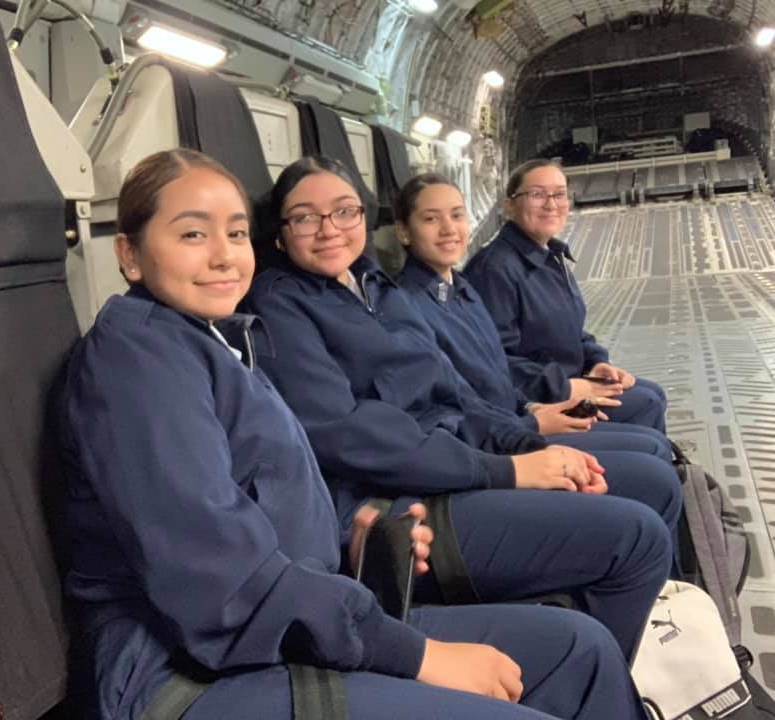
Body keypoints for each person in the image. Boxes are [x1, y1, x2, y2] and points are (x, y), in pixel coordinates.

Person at [58, 149, 650, 720]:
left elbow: (257, 491)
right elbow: (218, 581)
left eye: (235, 234)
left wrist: (348, 542)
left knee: (581, 652)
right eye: (192, 234)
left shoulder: (212, 340)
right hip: (187, 672)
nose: (222, 256)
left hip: (293, 614)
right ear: (130, 255)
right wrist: (413, 654)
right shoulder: (137, 360)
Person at [245, 155, 675, 661]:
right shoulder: (278, 306)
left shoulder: (374, 286)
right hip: (402, 503)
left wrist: (527, 442)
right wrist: (506, 469)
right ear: (279, 232)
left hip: (454, 461)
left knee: (651, 481)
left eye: (344, 211)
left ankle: (615, 639)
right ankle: (592, 667)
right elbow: (351, 434)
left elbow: (454, 389)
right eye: (305, 217)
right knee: (637, 538)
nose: (328, 229)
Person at [392, 172, 672, 461]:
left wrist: (588, 365)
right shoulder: (411, 307)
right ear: (403, 232)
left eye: (457, 215)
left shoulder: (461, 290)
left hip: (520, 415)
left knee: (652, 432)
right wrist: (545, 406)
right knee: (649, 443)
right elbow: (458, 402)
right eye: (431, 219)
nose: (449, 229)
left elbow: (499, 373)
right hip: (499, 441)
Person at [463, 159, 668, 433]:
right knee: (647, 403)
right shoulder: (495, 269)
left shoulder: (550, 257)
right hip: (536, 398)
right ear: (509, 204)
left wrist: (597, 362)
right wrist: (566, 387)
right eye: (537, 194)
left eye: (559, 194)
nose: (551, 204)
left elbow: (571, 330)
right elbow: (494, 360)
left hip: (562, 380)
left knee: (653, 392)